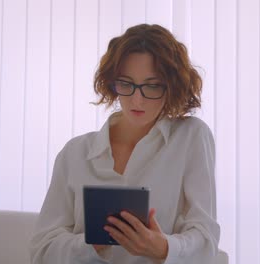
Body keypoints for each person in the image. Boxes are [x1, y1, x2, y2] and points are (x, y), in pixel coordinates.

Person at [29, 24, 220, 263]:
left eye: (152, 85)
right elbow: (41, 252)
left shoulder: (191, 137)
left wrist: (163, 248)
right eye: (126, 84)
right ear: (112, 82)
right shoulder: (75, 153)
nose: (136, 99)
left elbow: (206, 242)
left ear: (171, 87)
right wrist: (91, 244)